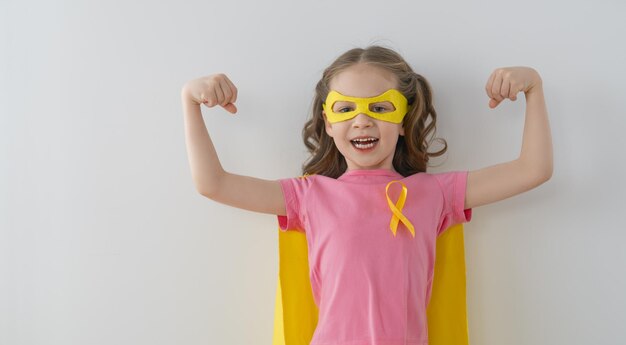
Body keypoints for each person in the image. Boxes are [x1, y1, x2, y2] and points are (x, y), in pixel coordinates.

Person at [181, 45, 553, 345]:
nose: (362, 120)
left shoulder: (434, 193)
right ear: (328, 123)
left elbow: (532, 169)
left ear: (405, 121)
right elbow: (213, 183)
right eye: (345, 109)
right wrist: (190, 101)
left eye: (380, 107)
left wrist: (534, 88)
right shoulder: (310, 196)